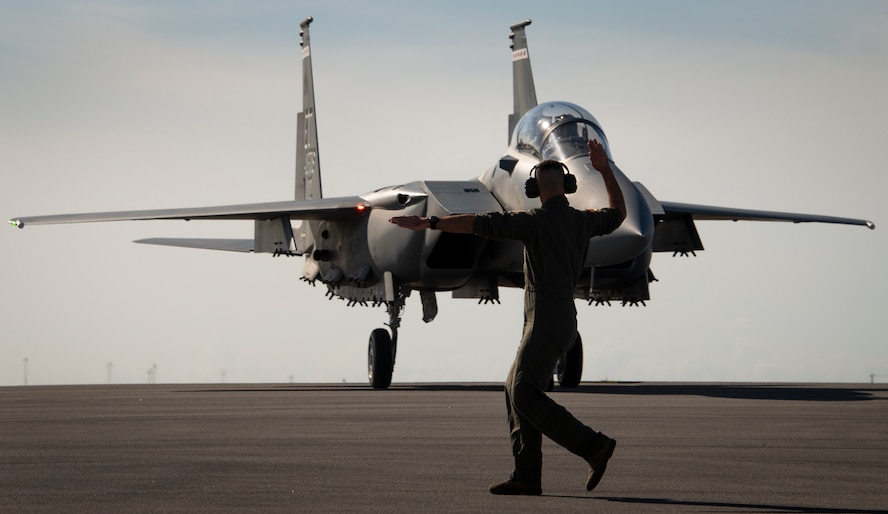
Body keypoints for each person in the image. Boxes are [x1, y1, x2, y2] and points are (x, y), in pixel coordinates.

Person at [389, 139, 626, 495]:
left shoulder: (533, 222)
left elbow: (479, 224)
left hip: (545, 320)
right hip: (559, 319)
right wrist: (605, 169)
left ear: (534, 191)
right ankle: (527, 475)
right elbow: (618, 213)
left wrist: (429, 222)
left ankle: (593, 446)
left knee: (525, 393)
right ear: (568, 187)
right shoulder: (582, 222)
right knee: (513, 389)